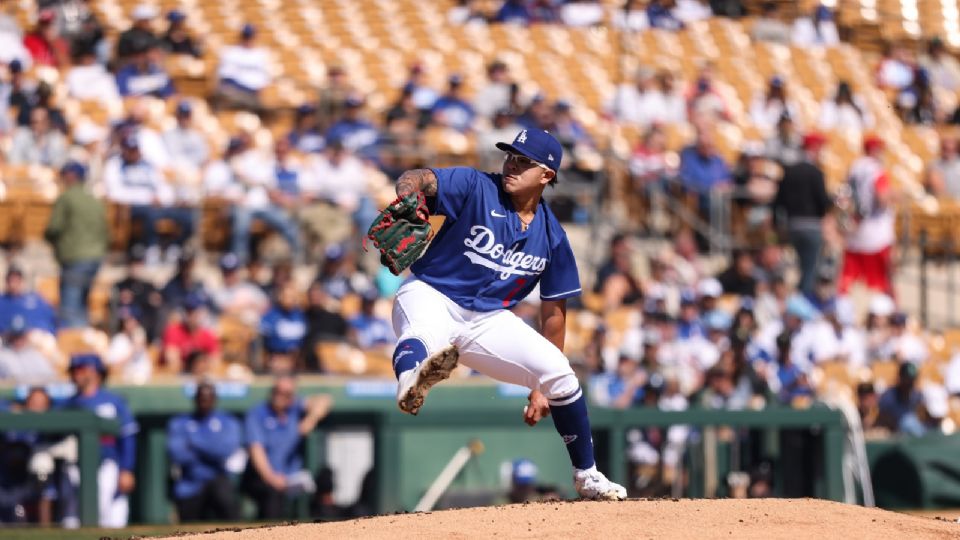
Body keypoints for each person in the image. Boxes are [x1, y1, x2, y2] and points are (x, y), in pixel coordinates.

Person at [381, 128, 626, 500]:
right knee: (422, 335)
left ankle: (586, 475)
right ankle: (411, 383)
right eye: (510, 156)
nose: (512, 165)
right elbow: (421, 178)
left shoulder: (552, 236)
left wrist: (540, 388)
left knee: (561, 374)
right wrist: (406, 191)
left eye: (523, 161)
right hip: (432, 291)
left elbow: (554, 312)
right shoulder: (477, 185)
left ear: (547, 175)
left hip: (487, 320)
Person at [65, 354, 138, 528]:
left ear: (96, 373)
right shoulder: (67, 403)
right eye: (74, 370)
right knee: (71, 520)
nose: (77, 374)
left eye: (82, 370)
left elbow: (128, 436)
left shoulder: (113, 401)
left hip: (106, 464)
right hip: (74, 466)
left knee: (104, 515)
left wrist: (126, 469)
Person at [244, 377, 332, 520]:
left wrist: (310, 419)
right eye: (277, 391)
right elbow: (256, 450)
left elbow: (325, 400)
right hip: (262, 477)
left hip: (292, 478)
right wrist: (272, 478)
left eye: (286, 393)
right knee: (272, 495)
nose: (280, 396)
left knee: (324, 479)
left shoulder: (294, 408)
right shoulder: (258, 413)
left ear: (292, 397)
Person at [44, 161, 108, 328]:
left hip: (74, 258)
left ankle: (74, 345)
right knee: (82, 303)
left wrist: (52, 242)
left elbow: (53, 228)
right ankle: (83, 340)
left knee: (70, 307)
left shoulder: (66, 198)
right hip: (95, 258)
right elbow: (107, 233)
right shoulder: (94, 200)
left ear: (71, 176)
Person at [167, 381, 242, 522]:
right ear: (195, 399)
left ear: (215, 399)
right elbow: (177, 454)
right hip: (190, 479)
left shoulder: (227, 422)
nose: (204, 402)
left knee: (227, 502)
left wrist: (195, 443)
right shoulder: (179, 422)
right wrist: (211, 448)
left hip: (218, 477)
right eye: (201, 398)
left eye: (208, 398)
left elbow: (225, 451)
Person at [772, 132, 831, 295]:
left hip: (792, 226)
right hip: (811, 227)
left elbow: (778, 201)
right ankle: (803, 301)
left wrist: (777, 225)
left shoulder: (789, 171)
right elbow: (823, 202)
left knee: (794, 268)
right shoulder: (816, 173)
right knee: (810, 269)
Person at [838, 135, 895, 296]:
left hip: (856, 228)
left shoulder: (854, 168)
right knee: (879, 283)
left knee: (850, 280)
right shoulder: (876, 170)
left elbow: (844, 197)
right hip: (876, 230)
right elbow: (882, 198)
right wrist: (893, 197)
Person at [0, 266, 57, 335]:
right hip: (6, 337)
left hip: (33, 336)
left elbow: (50, 319)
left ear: (22, 282)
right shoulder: (2, 301)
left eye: (17, 281)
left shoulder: (35, 300)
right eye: (11, 281)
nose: (14, 285)